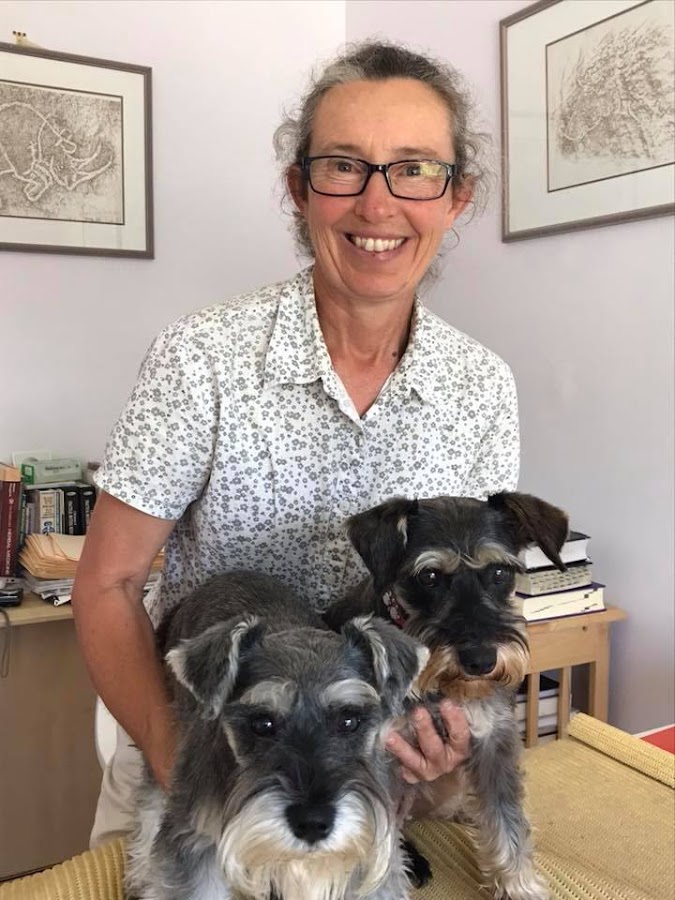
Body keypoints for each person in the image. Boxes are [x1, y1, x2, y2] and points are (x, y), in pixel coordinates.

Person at [72, 39, 520, 847]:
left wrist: (446, 727)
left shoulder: (481, 385)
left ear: (456, 197)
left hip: (373, 774)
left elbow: (466, 614)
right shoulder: (201, 357)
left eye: (414, 168)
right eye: (343, 166)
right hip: (203, 754)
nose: (377, 204)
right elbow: (108, 584)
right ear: (298, 189)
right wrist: (188, 768)